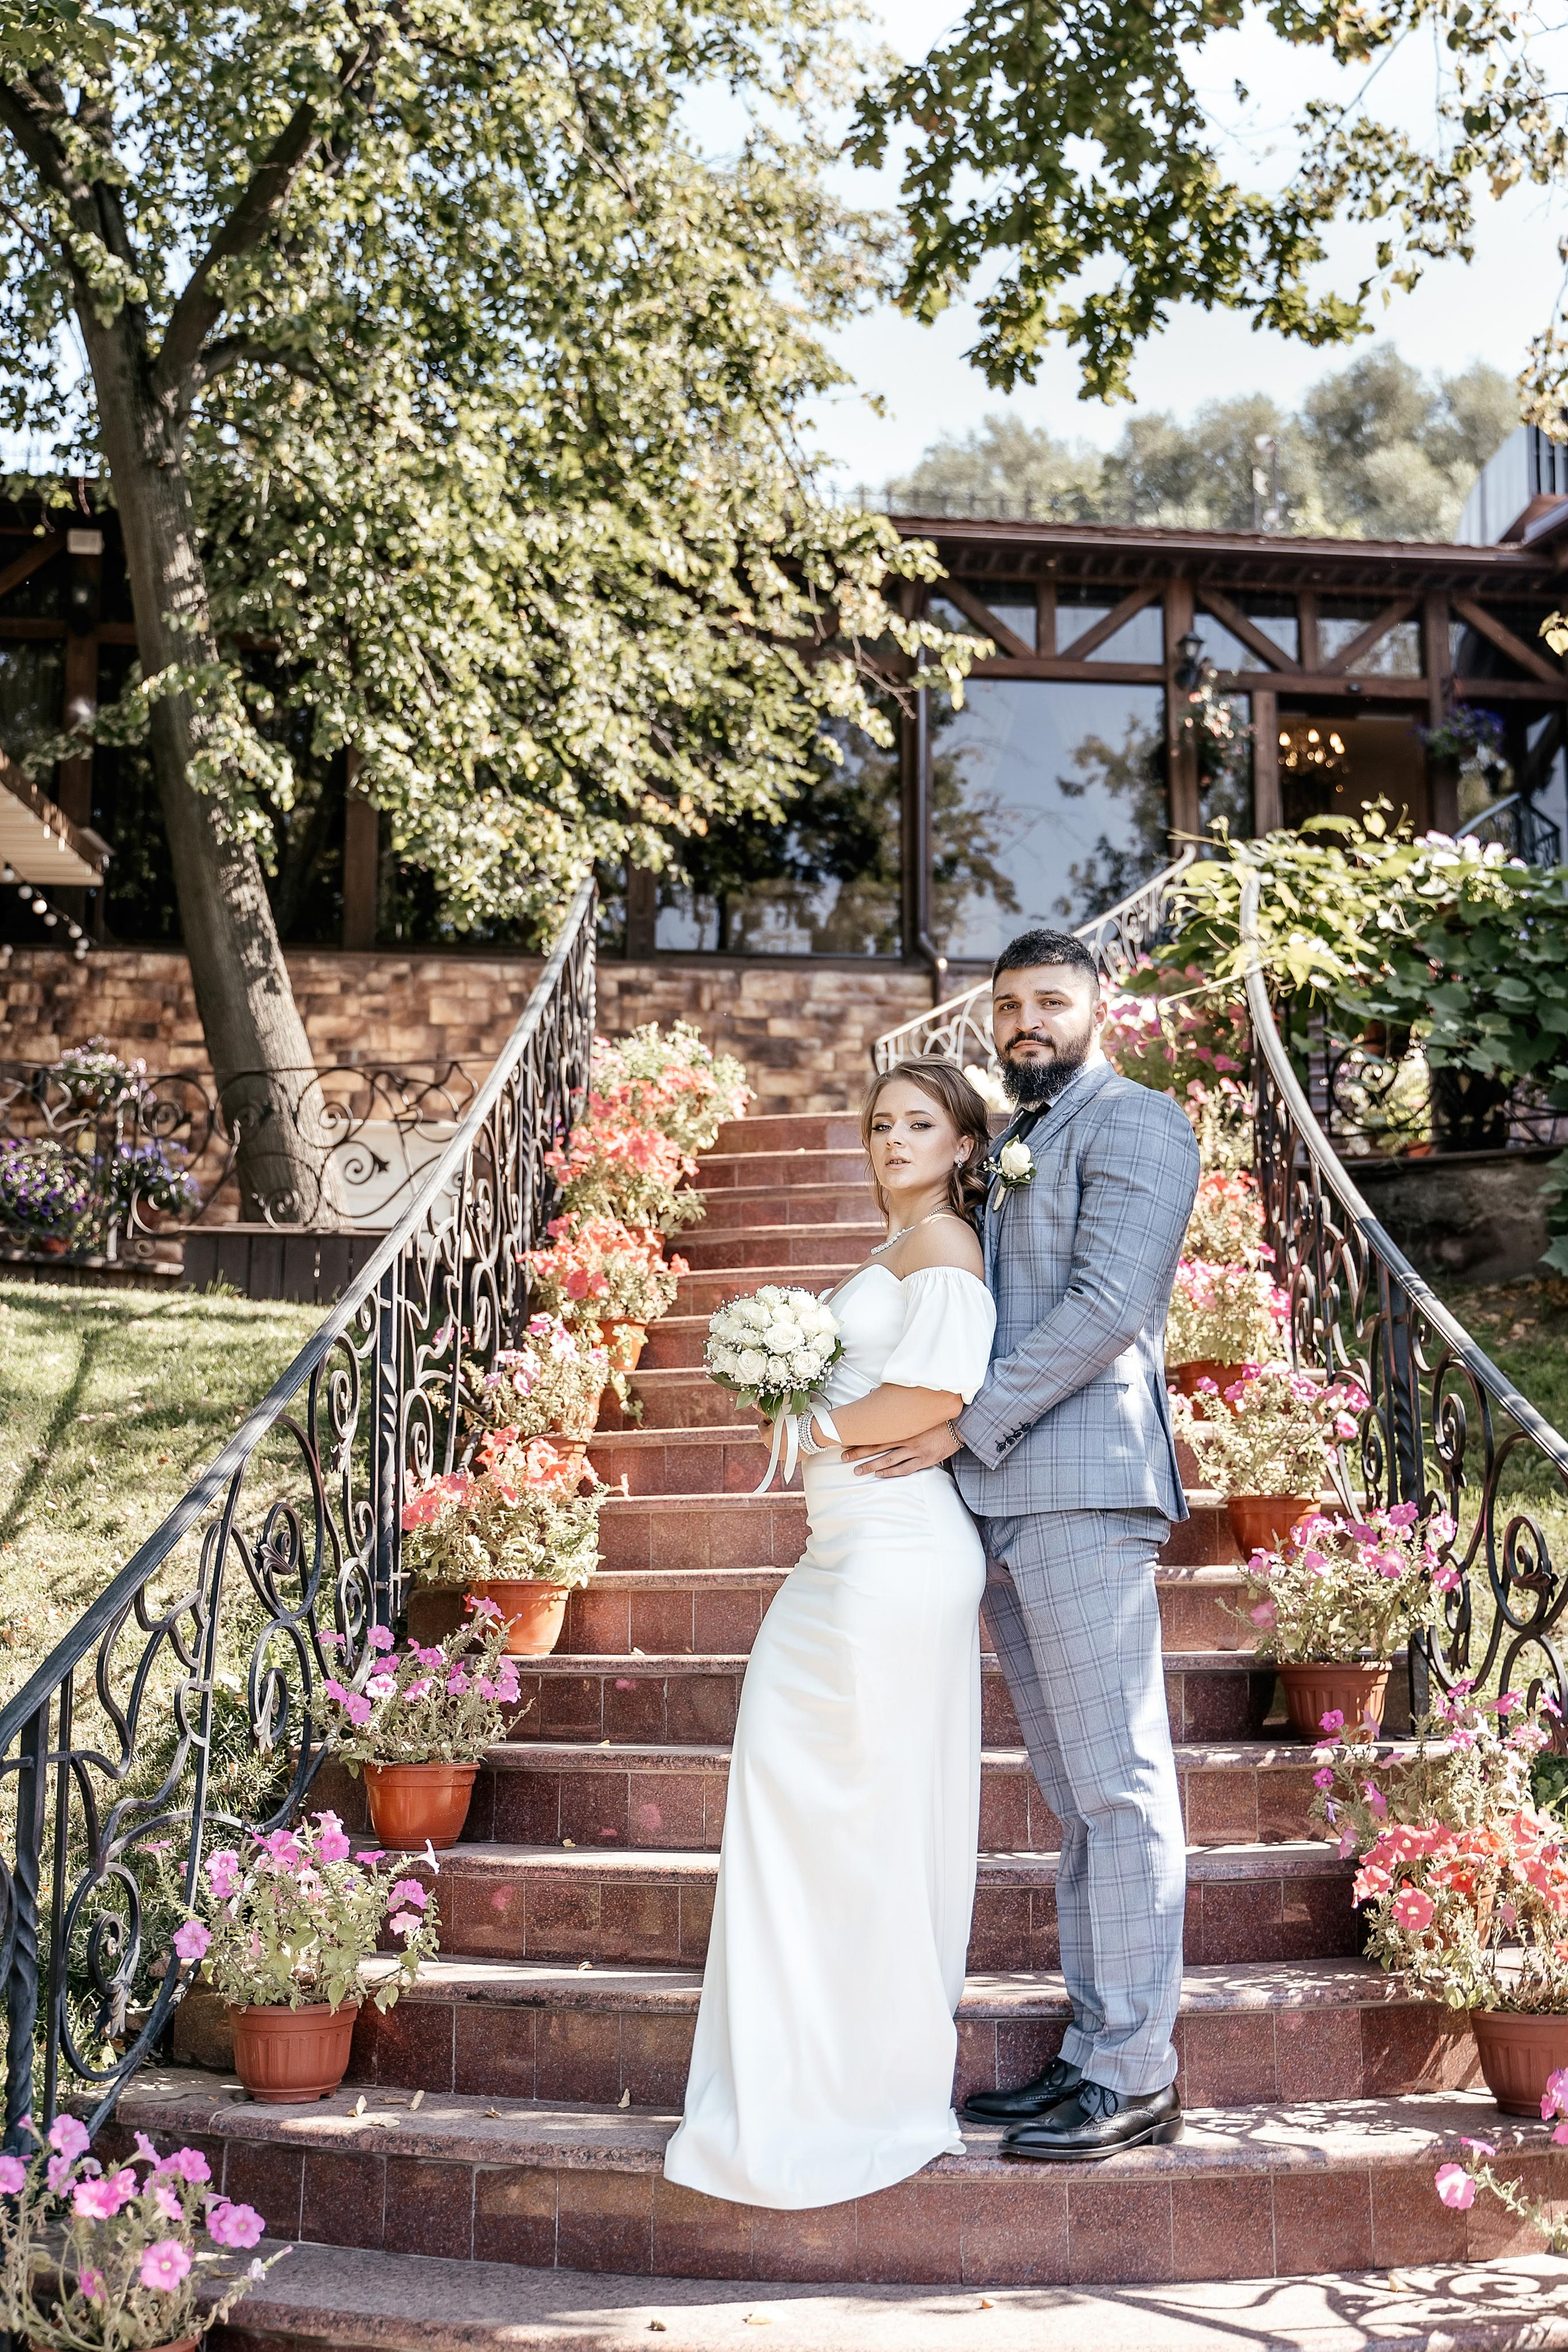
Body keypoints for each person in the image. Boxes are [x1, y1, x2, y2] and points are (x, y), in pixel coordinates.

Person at [845, 929, 1200, 2162]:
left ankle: (1137, 2074)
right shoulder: (1005, 1143)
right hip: (999, 1500)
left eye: (1049, 1000)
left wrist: (962, 1425)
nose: (1024, 1022)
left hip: (1082, 1490)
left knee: (1118, 1785)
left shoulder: (1137, 1125)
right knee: (1072, 1798)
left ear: (1101, 1006)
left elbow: (1111, 1307)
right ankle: (1088, 2054)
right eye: (1006, 1005)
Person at [663, 1060, 997, 2210]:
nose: (891, 1139)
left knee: (864, 1830)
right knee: (797, 1813)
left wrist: (801, 1413)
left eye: (919, 1123)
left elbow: (935, 1400)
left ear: (962, 1146)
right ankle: (797, 2076)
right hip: (843, 1556)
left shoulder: (947, 1250)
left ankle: (863, 2093)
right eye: (879, 1124)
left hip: (897, 1560)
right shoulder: (893, 1255)